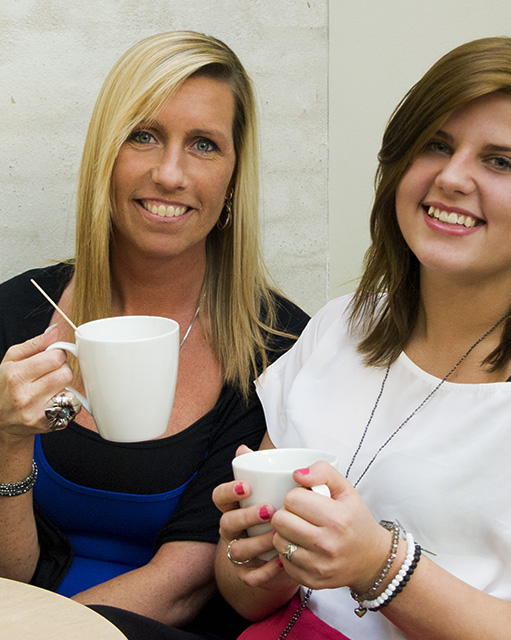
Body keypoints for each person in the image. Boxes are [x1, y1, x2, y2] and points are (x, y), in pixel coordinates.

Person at [209, 36, 511, 640]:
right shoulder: (340, 327)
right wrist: (258, 563)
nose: (453, 177)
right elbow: (246, 599)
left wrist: (381, 567)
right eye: (436, 145)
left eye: (500, 161)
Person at [0, 30, 308, 636]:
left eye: (203, 145)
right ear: (105, 156)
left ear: (233, 179)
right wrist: (7, 442)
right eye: (143, 136)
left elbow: (186, 585)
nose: (170, 173)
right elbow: (10, 574)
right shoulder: (20, 313)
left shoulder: (276, 346)